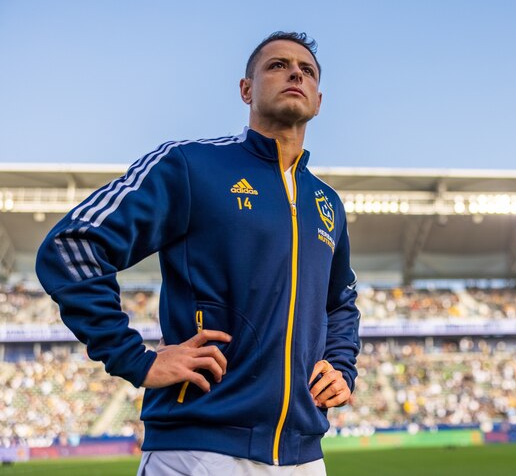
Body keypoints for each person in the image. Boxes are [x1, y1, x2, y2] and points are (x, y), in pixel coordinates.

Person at [36, 32, 360, 475]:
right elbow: (71, 245)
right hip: (198, 452)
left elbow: (340, 302)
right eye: (277, 65)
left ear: (318, 101)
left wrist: (341, 366)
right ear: (246, 89)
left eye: (307, 70)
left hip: (304, 457)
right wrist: (136, 358)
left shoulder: (327, 204)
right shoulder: (190, 166)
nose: (295, 73)